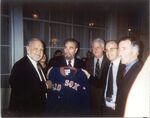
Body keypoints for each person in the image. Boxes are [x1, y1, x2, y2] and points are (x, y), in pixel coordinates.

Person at [8, 38, 52, 117]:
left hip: (38, 110)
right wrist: (45, 85)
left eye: (41, 49)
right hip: (26, 112)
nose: (39, 52)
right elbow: (21, 91)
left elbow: (35, 81)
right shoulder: (20, 66)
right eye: (36, 49)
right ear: (28, 49)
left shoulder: (37, 64)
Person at [46, 38, 90, 116]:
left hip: (74, 106)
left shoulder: (81, 64)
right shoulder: (54, 61)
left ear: (76, 50)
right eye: (65, 47)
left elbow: (84, 85)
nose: (67, 50)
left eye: (71, 48)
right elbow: (46, 79)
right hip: (58, 107)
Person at [115, 37, 143, 116]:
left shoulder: (141, 72)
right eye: (119, 49)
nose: (119, 53)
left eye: (124, 49)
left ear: (135, 52)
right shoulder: (122, 67)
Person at [84, 38, 110, 116]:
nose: (95, 50)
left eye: (97, 47)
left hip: (103, 96)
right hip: (91, 95)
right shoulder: (89, 61)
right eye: (93, 47)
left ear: (103, 48)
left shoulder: (109, 61)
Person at [102, 40, 125, 116]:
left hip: (118, 107)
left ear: (118, 50)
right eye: (106, 50)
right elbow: (103, 83)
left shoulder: (124, 66)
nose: (108, 53)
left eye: (112, 49)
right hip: (105, 105)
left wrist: (120, 104)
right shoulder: (106, 64)